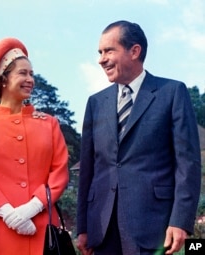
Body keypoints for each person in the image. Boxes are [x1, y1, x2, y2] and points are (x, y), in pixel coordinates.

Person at [77, 20, 201, 255]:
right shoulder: (95, 103)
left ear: (134, 51)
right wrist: (83, 226)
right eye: (100, 52)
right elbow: (88, 171)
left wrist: (180, 220)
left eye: (109, 50)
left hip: (154, 225)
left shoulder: (172, 93)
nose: (101, 59)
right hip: (101, 229)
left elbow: (188, 163)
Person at [0, 37, 69, 255]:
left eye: (31, 74)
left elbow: (59, 172)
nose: (30, 79)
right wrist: (8, 214)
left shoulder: (49, 123)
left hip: (41, 226)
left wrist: (32, 208)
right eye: (22, 73)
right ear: (3, 78)